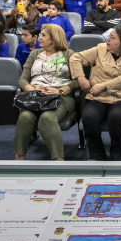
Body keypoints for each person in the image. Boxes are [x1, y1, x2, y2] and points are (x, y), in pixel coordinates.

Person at [71, 25, 121, 161]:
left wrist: (103, 86)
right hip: (97, 97)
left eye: (112, 37)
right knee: (89, 117)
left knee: (115, 117)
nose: (107, 40)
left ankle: (117, 154)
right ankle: (96, 154)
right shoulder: (100, 49)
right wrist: (81, 78)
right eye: (109, 36)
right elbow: (75, 58)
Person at [14, 24, 77, 161]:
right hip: (36, 96)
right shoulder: (34, 54)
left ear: (54, 38)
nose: (39, 38)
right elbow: (23, 79)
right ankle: (18, 159)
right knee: (24, 117)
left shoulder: (68, 54)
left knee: (47, 118)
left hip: (61, 96)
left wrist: (59, 90)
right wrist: (32, 88)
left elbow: (77, 81)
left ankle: (58, 160)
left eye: (43, 35)